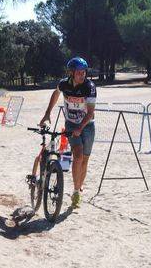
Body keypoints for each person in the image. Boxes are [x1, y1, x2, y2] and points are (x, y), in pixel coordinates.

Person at [39, 57, 96, 209]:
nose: (82, 75)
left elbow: (90, 112)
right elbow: (56, 93)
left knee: (85, 159)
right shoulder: (64, 84)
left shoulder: (89, 86)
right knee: (77, 155)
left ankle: (79, 185)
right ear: (71, 73)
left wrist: (81, 127)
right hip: (71, 123)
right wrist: (47, 113)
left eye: (83, 72)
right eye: (78, 72)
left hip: (88, 125)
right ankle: (76, 192)